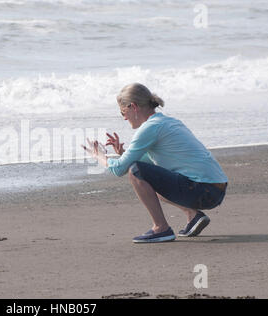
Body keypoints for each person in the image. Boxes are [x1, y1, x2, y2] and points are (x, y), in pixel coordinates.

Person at [82, 83, 228, 243]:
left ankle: (161, 228)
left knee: (136, 171)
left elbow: (119, 169)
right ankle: (192, 215)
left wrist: (99, 156)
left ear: (133, 107)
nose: (124, 117)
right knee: (147, 177)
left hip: (203, 190)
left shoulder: (150, 128)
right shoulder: (168, 122)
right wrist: (123, 154)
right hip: (215, 189)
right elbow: (155, 164)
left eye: (123, 112)